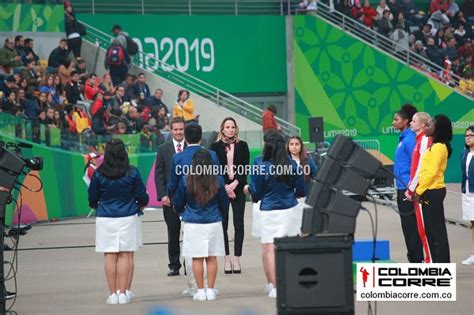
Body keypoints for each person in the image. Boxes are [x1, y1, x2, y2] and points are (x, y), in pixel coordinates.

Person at [244, 130, 305, 298]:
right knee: (289, 247)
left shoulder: (259, 164)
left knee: (270, 248)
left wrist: (247, 189)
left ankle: (274, 287)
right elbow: (301, 190)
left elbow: (256, 194)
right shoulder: (292, 165)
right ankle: (291, 283)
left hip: (269, 210)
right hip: (290, 209)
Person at [88, 139, 149, 304]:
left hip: (106, 217)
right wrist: (140, 205)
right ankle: (123, 293)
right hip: (128, 216)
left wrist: (98, 205)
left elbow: (92, 198)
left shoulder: (99, 174)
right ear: (124, 153)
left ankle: (112, 294)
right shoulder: (133, 172)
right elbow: (142, 196)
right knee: (124, 254)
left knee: (109, 255)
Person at [167, 123, 220, 296]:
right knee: (210, 253)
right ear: (201, 138)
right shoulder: (211, 155)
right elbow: (218, 180)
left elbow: (173, 185)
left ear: (185, 138)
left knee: (192, 251)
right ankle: (208, 287)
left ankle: (194, 286)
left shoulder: (178, 158)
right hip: (211, 209)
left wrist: (177, 205)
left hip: (189, 209)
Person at [173, 149, 229, 301]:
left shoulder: (186, 179)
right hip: (213, 220)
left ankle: (200, 290)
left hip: (193, 222)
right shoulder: (217, 180)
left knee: (197, 258)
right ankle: (210, 289)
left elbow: (178, 202)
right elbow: (224, 202)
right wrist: (220, 215)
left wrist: (180, 211)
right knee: (212, 257)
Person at [210, 117, 250, 274]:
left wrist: (234, 184)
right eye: (227, 126)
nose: (231, 129)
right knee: (223, 225)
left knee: (239, 224)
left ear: (236, 129)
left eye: (233, 126)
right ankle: (226, 259)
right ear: (222, 129)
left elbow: (245, 167)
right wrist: (225, 187)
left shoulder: (243, 145)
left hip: (238, 188)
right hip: (222, 189)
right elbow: (215, 170)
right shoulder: (215, 146)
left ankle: (237, 259)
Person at [415, 115, 453, 263]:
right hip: (428, 190)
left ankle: (443, 263)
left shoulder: (438, 147)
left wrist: (418, 191)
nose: (426, 126)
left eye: (429, 124)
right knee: (431, 230)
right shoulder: (434, 146)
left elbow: (431, 173)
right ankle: (437, 261)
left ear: (438, 128)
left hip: (433, 191)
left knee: (437, 230)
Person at [155, 117, 186, 277]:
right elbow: (159, 174)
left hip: (190, 200)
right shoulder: (163, 149)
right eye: (176, 129)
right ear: (171, 130)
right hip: (170, 200)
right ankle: (174, 265)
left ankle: (190, 263)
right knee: (173, 233)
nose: (179, 132)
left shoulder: (192, 147)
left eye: (181, 129)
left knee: (189, 233)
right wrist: (163, 195)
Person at [393, 104, 423, 263]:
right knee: (407, 226)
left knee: (411, 227)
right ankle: (413, 258)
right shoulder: (403, 138)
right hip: (401, 187)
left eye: (396, 119)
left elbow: (417, 163)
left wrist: (412, 188)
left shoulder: (410, 139)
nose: (393, 122)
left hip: (407, 189)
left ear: (405, 121)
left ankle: (417, 260)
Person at [404, 112, 433, 263]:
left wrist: (411, 189)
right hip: (417, 189)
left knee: (424, 229)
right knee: (422, 228)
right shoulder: (419, 140)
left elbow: (421, 167)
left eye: (413, 121)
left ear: (422, 125)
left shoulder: (424, 140)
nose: (410, 123)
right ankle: (428, 259)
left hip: (420, 191)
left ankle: (429, 261)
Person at [461, 126, 474, 265]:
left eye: (471, 135)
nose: (468, 137)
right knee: (472, 223)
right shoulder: (464, 154)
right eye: (466, 135)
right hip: (467, 193)